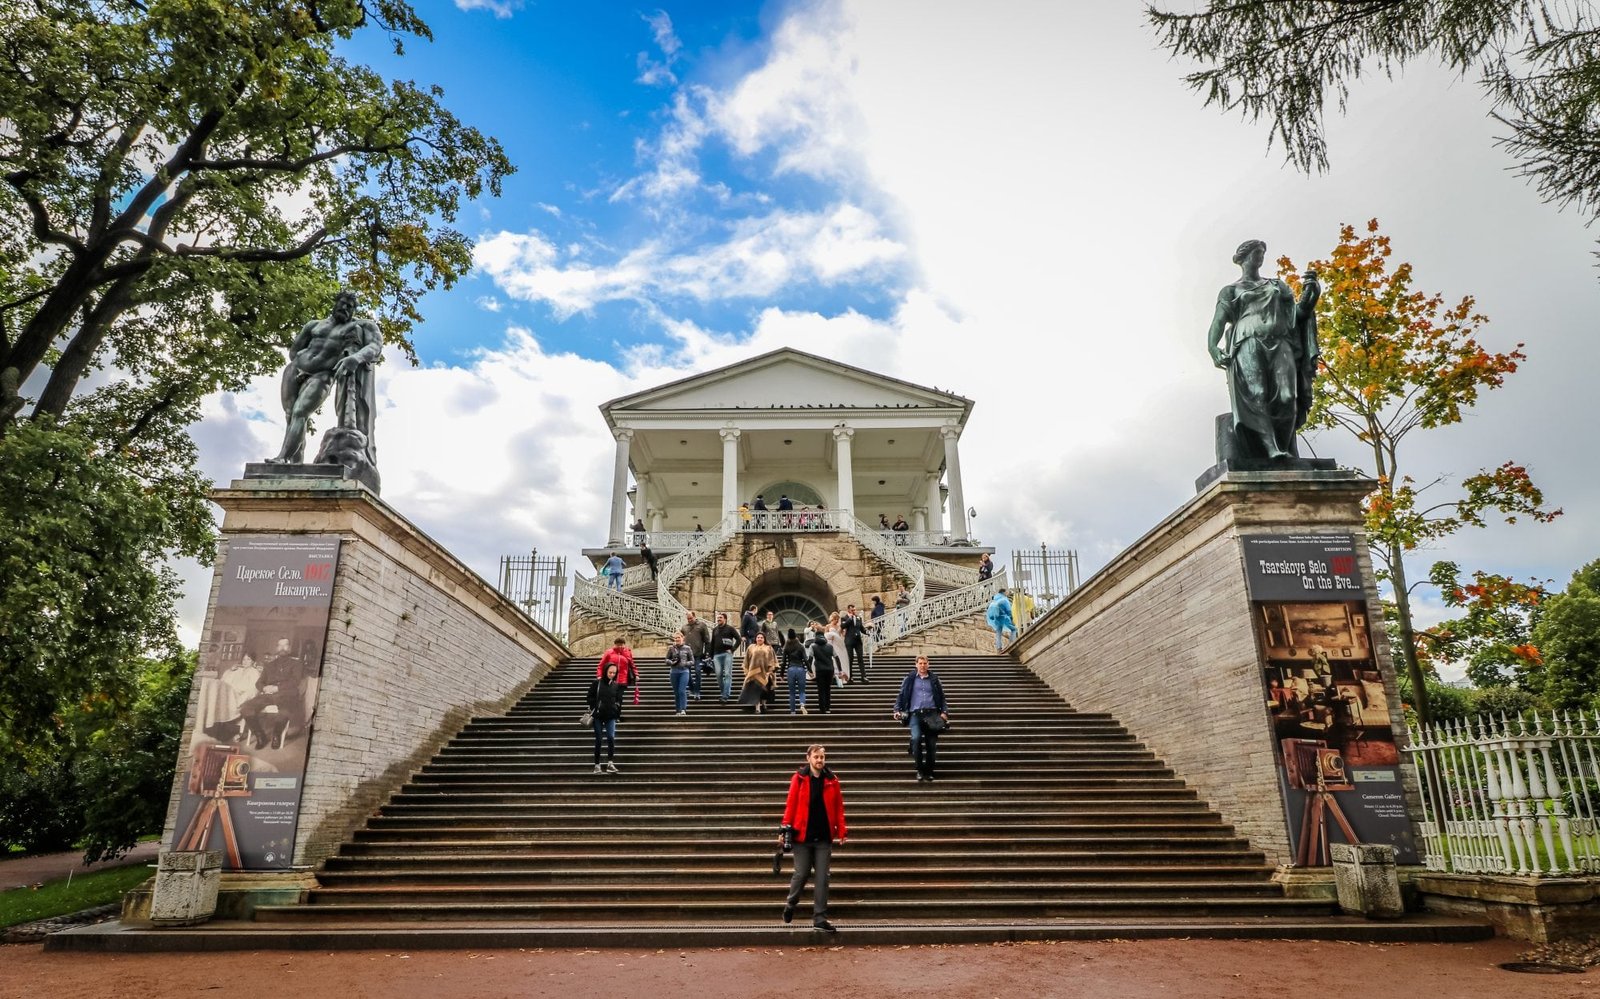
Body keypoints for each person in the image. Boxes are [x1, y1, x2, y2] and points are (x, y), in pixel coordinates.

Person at [1206, 238, 1321, 461]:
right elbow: (1218, 321)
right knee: (1256, 393)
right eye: (1257, 252)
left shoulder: (1277, 285)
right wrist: (1213, 347)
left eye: (1262, 253)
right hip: (1247, 343)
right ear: (1244, 257)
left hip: (1281, 342)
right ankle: (1271, 448)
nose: (1260, 257)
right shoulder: (1231, 290)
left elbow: (1298, 314)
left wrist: (1311, 294)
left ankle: (1284, 447)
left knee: (1287, 396)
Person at [266, 289, 382, 467]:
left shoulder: (360, 326)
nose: (345, 308)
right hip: (295, 369)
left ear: (354, 311)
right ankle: (296, 463)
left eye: (350, 307)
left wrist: (356, 357)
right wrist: (303, 362)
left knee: (300, 413)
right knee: (290, 416)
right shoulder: (314, 325)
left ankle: (282, 457)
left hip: (323, 375)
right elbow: (294, 350)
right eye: (343, 304)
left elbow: (375, 346)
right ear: (335, 304)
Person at [781, 744, 846, 933]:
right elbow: (791, 804)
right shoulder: (799, 778)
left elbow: (839, 807)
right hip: (802, 836)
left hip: (824, 836)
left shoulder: (832, 780)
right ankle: (791, 903)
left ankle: (819, 918)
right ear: (808, 758)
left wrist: (842, 830)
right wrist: (784, 828)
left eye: (822, 757)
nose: (819, 760)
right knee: (801, 874)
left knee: (823, 878)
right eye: (816, 757)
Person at [238, 638, 305, 750]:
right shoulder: (269, 665)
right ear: (277, 648)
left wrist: (277, 688)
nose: (282, 648)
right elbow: (259, 683)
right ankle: (260, 736)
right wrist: (264, 688)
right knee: (246, 708)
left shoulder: (297, 664)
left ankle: (276, 735)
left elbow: (295, 681)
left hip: (287, 694)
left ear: (289, 648)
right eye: (280, 645)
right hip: (268, 695)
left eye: (285, 645)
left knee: (285, 711)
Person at [894, 655, 949, 782]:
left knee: (931, 744)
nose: (923, 666)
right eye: (920, 663)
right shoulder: (909, 679)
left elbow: (942, 697)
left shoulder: (934, 679)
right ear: (916, 664)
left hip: (932, 714)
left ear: (928, 664)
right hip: (915, 714)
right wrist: (897, 709)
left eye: (925, 663)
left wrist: (944, 712)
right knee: (916, 738)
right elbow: (901, 695)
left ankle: (929, 771)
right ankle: (919, 770)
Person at [586, 660, 626, 774]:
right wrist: (597, 705)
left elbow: (619, 700)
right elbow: (589, 697)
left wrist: (616, 710)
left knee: (611, 738)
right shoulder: (597, 683)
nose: (612, 675)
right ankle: (597, 765)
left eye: (614, 673)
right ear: (605, 671)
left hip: (611, 716)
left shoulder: (616, 685)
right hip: (598, 716)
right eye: (610, 672)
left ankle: (610, 763)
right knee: (599, 739)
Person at [741, 633, 777, 713]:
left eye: (761, 637)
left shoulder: (768, 648)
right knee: (755, 691)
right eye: (758, 637)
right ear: (756, 638)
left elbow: (772, 659)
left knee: (764, 690)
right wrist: (747, 671)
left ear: (764, 639)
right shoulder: (751, 647)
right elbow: (746, 660)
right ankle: (757, 708)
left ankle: (763, 704)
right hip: (754, 673)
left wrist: (770, 671)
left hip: (765, 673)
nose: (760, 639)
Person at [711, 611, 741, 702]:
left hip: (727, 654)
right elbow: (712, 643)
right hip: (716, 655)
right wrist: (710, 655)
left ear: (725, 619)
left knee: (727, 674)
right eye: (718, 618)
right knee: (718, 675)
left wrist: (732, 649)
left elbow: (739, 639)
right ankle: (724, 692)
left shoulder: (730, 629)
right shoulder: (715, 630)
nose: (718, 619)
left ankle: (725, 695)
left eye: (720, 618)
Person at [807, 623, 837, 713]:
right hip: (830, 669)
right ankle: (828, 708)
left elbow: (810, 659)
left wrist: (809, 670)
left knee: (821, 689)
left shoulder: (813, 646)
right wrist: (840, 670)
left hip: (819, 670)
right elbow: (836, 657)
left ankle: (822, 708)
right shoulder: (830, 646)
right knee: (828, 689)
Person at [683, 611, 712, 702]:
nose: (689, 620)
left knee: (697, 672)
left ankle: (697, 691)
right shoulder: (684, 627)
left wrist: (707, 653)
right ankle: (692, 689)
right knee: (687, 673)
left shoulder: (702, 626)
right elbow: (680, 637)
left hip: (698, 654)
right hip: (687, 655)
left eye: (691, 618)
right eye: (688, 619)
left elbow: (707, 640)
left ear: (695, 616)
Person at [597, 637, 636, 704]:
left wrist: (636, 674)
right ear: (615, 645)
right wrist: (599, 675)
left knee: (619, 697)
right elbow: (601, 665)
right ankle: (611, 709)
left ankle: (617, 709)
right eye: (618, 645)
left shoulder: (627, 652)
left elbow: (632, 664)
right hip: (611, 678)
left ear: (624, 645)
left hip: (623, 680)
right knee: (611, 697)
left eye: (621, 645)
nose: (620, 646)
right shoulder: (609, 652)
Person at [666, 630, 696, 716]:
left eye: (678, 638)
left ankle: (683, 709)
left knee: (681, 690)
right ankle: (678, 710)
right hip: (674, 672)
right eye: (675, 638)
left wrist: (685, 663)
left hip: (684, 671)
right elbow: (666, 659)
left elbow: (692, 661)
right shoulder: (671, 648)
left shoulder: (687, 648)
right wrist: (671, 662)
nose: (677, 639)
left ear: (682, 638)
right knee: (676, 692)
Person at [782, 630, 810, 715]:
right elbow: (805, 659)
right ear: (796, 636)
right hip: (800, 669)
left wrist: (781, 674)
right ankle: (802, 704)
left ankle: (793, 711)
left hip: (791, 669)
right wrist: (810, 670)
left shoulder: (786, 647)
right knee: (802, 691)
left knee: (792, 692)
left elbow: (783, 662)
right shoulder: (800, 646)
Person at [839, 603, 868, 683]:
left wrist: (868, 631)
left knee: (860, 658)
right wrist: (850, 618)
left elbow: (861, 629)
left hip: (858, 641)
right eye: (852, 610)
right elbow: (843, 626)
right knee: (850, 659)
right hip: (849, 641)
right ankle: (850, 677)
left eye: (854, 610)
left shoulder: (858, 618)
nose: (854, 611)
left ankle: (863, 677)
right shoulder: (844, 618)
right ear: (848, 610)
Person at [825, 613, 850, 685]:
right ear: (832, 619)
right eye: (835, 619)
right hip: (831, 644)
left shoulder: (840, 626)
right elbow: (825, 636)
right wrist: (830, 637)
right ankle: (833, 677)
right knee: (833, 660)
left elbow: (843, 635)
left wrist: (846, 630)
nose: (836, 621)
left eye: (837, 619)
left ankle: (841, 677)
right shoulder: (828, 626)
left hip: (839, 645)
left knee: (840, 659)